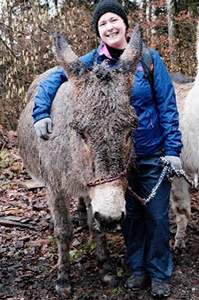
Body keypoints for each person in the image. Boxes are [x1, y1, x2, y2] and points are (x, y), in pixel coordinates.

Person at [32, 0, 183, 297]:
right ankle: (137, 269)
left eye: (114, 20)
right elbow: (55, 78)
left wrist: (173, 149)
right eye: (102, 23)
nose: (109, 26)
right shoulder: (90, 61)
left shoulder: (148, 60)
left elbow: (167, 106)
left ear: (125, 24)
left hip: (150, 150)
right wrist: (40, 112)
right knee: (131, 218)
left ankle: (160, 272)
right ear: (98, 31)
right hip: (115, 159)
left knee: (156, 215)